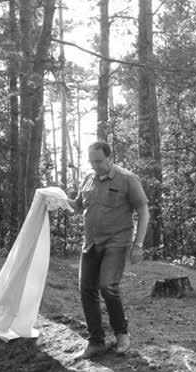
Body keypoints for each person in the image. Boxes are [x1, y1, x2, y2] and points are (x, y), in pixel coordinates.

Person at [69, 141, 149, 359]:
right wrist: (55, 199)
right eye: (92, 161)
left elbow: (143, 209)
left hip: (117, 241)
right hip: (91, 243)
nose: (95, 165)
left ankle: (122, 335)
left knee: (107, 286)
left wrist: (138, 244)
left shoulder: (128, 179)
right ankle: (95, 341)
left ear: (110, 158)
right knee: (86, 289)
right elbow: (77, 207)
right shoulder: (87, 179)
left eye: (99, 161)